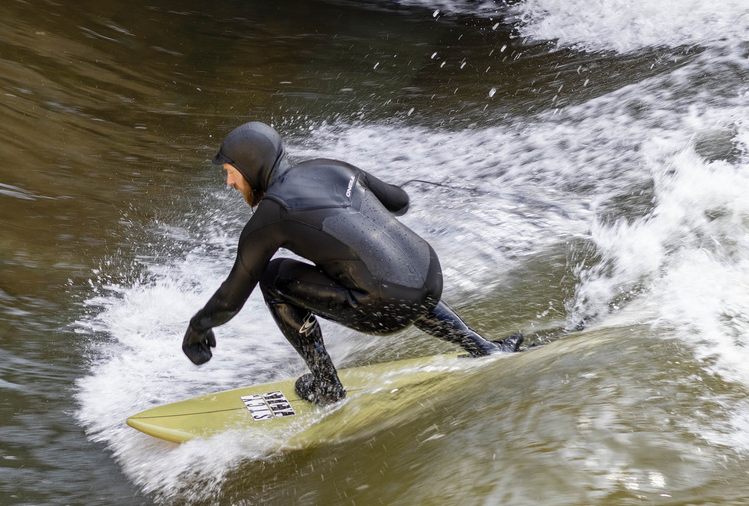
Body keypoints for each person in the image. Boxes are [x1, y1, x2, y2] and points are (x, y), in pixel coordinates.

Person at [181, 121, 521, 404]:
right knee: (388, 263)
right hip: (430, 278)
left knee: (272, 277)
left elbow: (231, 297)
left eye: (231, 172)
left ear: (250, 167)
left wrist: (198, 328)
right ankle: (484, 347)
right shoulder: (330, 168)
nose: (229, 182)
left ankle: (327, 386)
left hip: (387, 306)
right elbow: (400, 201)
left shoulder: (272, 215)